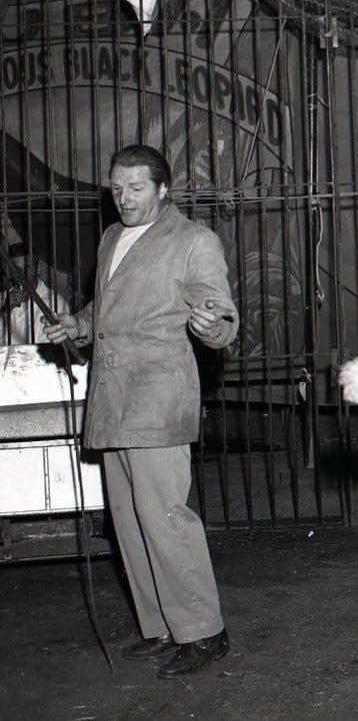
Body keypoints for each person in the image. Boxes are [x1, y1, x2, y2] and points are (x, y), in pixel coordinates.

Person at [44, 144, 239, 678]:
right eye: (116, 189)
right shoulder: (111, 239)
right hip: (113, 399)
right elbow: (105, 308)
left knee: (165, 517)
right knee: (129, 522)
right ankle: (161, 628)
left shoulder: (194, 241)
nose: (123, 199)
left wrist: (212, 326)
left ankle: (204, 632)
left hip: (157, 398)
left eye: (135, 189)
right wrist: (78, 325)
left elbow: (222, 315)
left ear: (162, 189)